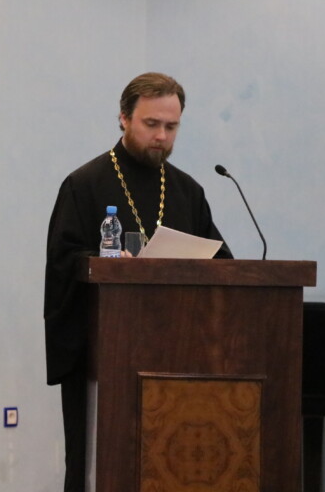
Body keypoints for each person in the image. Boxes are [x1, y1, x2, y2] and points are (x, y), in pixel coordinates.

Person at [44, 72, 232, 492]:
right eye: (151, 124)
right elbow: (63, 261)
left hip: (181, 356)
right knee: (99, 467)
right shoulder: (84, 185)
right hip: (104, 356)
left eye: (171, 126)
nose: (162, 136)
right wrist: (108, 265)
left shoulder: (188, 191)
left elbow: (222, 263)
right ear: (124, 118)